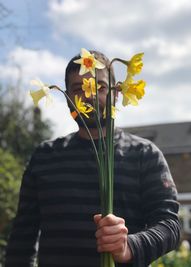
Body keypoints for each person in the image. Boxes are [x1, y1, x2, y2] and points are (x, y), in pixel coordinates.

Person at [5, 51, 181, 267]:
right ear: (67, 98)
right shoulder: (44, 157)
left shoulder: (145, 155)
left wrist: (129, 246)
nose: (88, 95)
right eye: (78, 89)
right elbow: (22, 239)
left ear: (116, 93)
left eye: (100, 87)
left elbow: (170, 226)